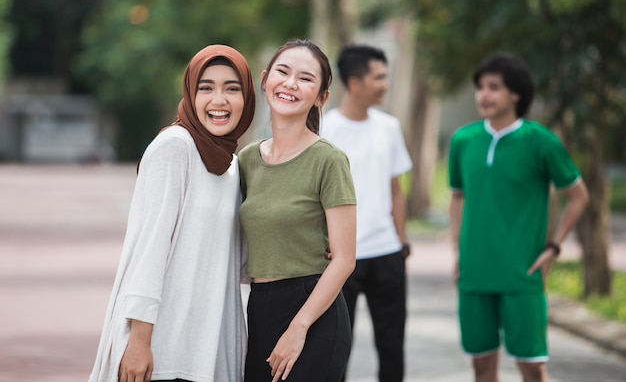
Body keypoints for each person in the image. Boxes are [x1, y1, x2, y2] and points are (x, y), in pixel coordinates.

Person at [88, 44, 256, 382]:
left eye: (232, 89)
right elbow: (150, 249)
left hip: (205, 348)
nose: (219, 100)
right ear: (190, 95)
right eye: (205, 88)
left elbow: (234, 261)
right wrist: (139, 341)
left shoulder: (232, 166)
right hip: (161, 348)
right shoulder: (176, 147)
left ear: (248, 98)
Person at [447, 54, 590, 382]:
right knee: (481, 368)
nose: (484, 94)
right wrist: (458, 253)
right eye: (480, 87)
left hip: (522, 274)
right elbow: (457, 197)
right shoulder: (463, 141)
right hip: (475, 274)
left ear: (516, 94)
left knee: (532, 368)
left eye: (494, 87)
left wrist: (554, 247)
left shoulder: (540, 141)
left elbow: (578, 196)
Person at [238, 39, 356, 382]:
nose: (290, 83)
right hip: (260, 306)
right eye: (283, 72)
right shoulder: (246, 161)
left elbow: (345, 259)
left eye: (305, 78)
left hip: (314, 311)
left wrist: (299, 327)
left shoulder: (328, 160)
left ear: (321, 96)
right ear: (265, 80)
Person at [320, 44, 413, 382]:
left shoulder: (388, 127)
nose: (385, 84)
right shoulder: (325, 130)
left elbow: (395, 190)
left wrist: (402, 244)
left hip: (387, 254)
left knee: (392, 347)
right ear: (355, 83)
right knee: (335, 347)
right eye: (379, 77)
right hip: (340, 258)